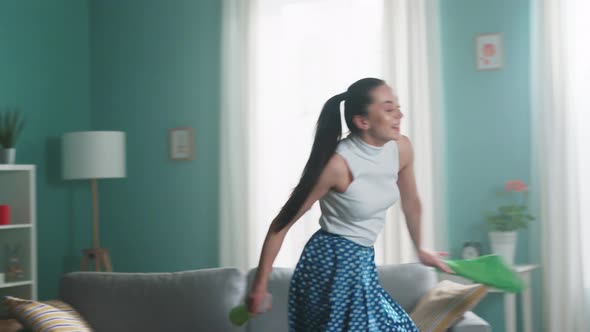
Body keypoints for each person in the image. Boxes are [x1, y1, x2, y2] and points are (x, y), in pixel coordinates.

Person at [246, 77, 453, 331]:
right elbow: (281, 225)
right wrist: (259, 286)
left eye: (397, 106)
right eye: (388, 109)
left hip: (361, 261)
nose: (400, 114)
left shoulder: (401, 149)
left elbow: (411, 202)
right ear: (362, 122)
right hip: (329, 264)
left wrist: (420, 248)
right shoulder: (338, 165)